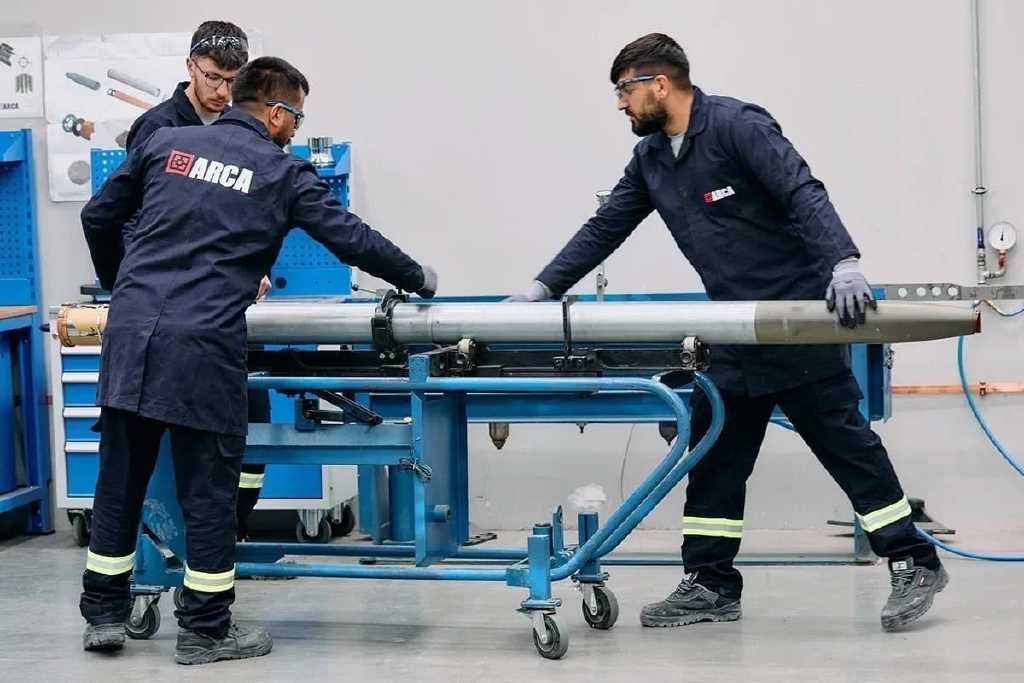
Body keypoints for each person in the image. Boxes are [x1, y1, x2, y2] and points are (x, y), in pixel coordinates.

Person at [508, 33, 947, 632]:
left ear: (660, 84)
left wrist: (843, 262)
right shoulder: (652, 159)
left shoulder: (737, 127)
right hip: (735, 331)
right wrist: (541, 288)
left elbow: (801, 190)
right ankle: (711, 584)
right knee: (715, 456)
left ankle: (915, 560)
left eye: (625, 91)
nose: (620, 104)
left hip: (794, 325)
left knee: (846, 448)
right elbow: (605, 227)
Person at [79, 55, 438, 664]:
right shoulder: (281, 172)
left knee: (119, 481)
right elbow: (351, 238)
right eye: (296, 117)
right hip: (201, 347)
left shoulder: (166, 144)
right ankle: (205, 630)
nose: (295, 129)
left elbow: (98, 215)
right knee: (208, 492)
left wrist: (126, 284)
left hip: (130, 337)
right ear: (274, 113)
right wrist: (418, 278)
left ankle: (104, 618)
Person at [121, 21, 275, 539]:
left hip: (222, 306)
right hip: (168, 306)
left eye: (233, 81)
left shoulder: (241, 127)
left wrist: (255, 264)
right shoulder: (157, 128)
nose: (223, 91)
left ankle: (234, 527)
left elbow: (248, 212)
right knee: (163, 438)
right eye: (213, 78)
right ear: (190, 66)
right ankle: (180, 542)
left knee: (254, 407)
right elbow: (131, 218)